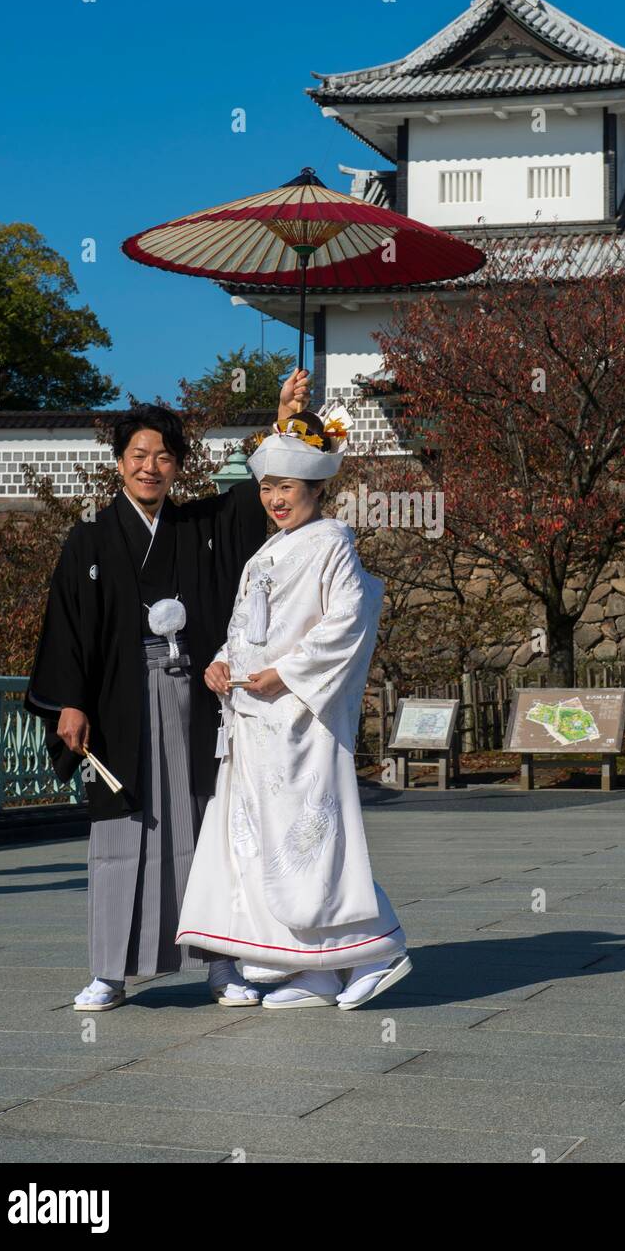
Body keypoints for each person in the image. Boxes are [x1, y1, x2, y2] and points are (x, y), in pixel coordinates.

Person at [25, 370, 309, 1011]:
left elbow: (251, 502)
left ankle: (221, 967)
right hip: (119, 705)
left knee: (206, 831)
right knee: (122, 836)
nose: (149, 467)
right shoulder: (90, 541)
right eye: (138, 456)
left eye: (163, 457)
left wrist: (282, 419)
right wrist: (69, 700)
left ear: (178, 466)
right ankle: (109, 972)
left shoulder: (197, 529)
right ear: (119, 464)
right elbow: (67, 627)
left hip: (191, 702)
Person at [175, 406, 411, 1009]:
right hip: (253, 718)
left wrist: (288, 672)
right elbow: (243, 628)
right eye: (267, 488)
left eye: (286, 487)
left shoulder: (331, 543)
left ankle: (376, 947)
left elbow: (348, 623)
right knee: (270, 847)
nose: (275, 500)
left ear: (315, 487)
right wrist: (221, 662)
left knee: (312, 839)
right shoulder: (265, 554)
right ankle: (312, 969)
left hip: (302, 716)